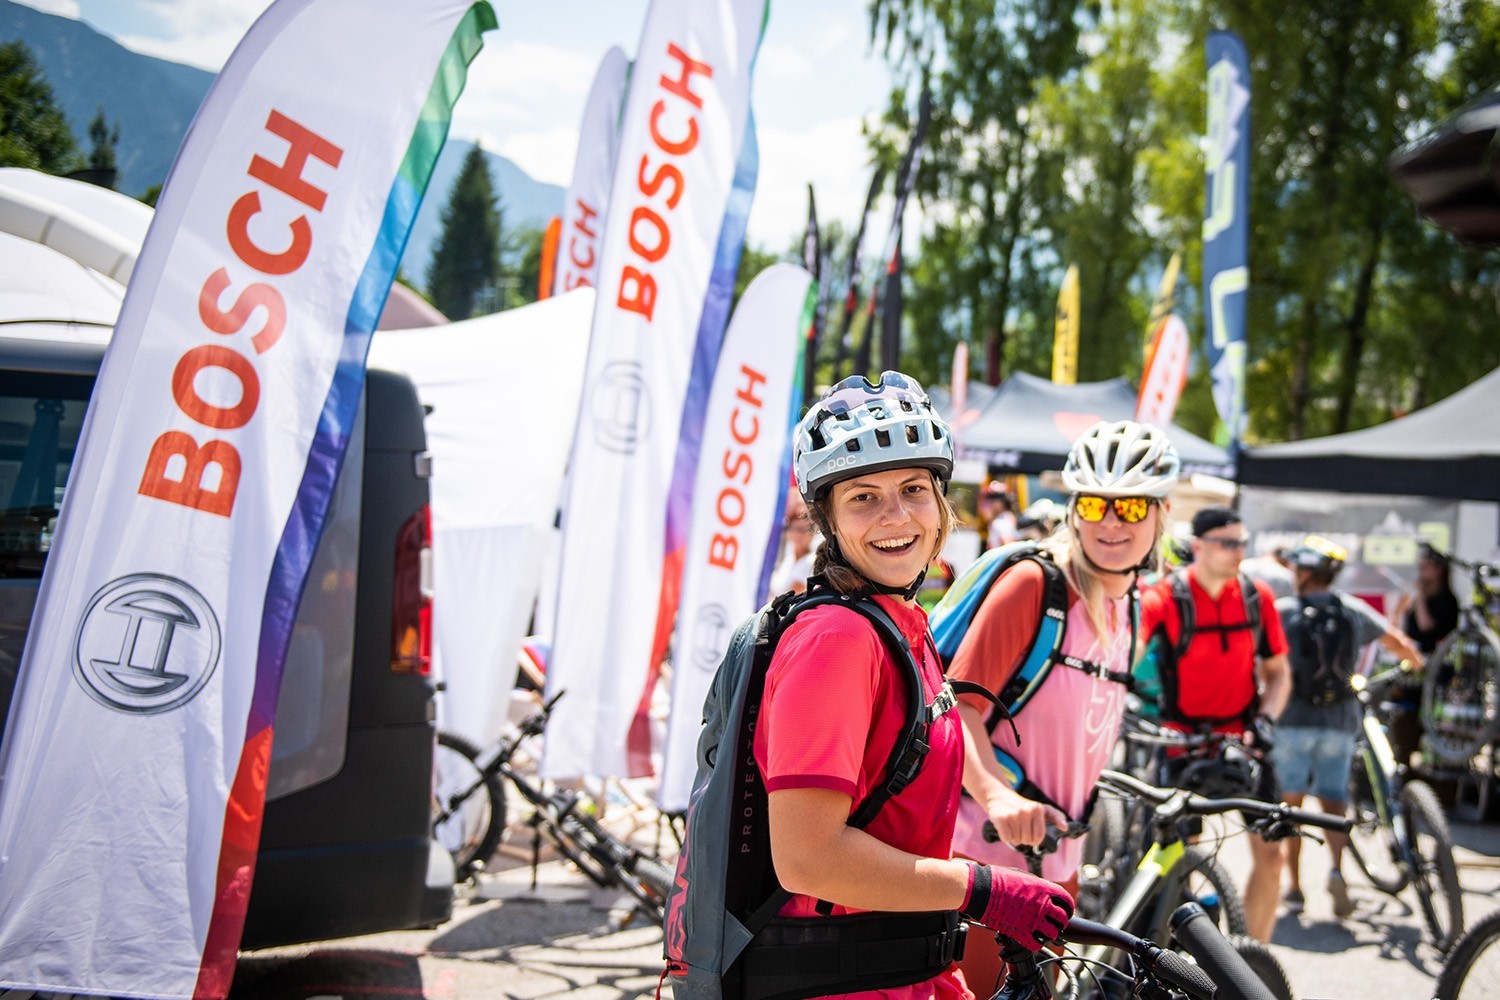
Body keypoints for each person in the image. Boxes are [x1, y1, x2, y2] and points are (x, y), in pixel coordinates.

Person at [758, 371, 1073, 999]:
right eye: (863, 497)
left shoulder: (900, 621)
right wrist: (982, 888)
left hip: (908, 969)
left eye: (912, 489)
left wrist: (997, 807)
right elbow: (806, 859)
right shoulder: (839, 640)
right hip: (846, 983)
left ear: (941, 501)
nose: (896, 516)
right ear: (828, 520)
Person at [949, 419, 1178, 995]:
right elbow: (959, 710)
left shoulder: (1132, 608)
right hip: (981, 856)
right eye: (1096, 504)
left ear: (1160, 515)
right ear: (1075, 508)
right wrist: (1000, 795)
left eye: (1130, 509)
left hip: (1059, 858)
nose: (1109, 523)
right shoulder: (1034, 586)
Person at [1137, 506, 1291, 944]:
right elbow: (1125, 652)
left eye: (1242, 542)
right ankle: (1164, 958)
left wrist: (1267, 719)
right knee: (1172, 857)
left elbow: (1279, 672)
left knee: (1272, 854)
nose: (1238, 551)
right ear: (1199, 546)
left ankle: (1253, 960)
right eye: (1228, 543)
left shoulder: (1255, 596)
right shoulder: (1165, 597)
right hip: (1180, 740)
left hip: (1244, 738)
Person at [1274, 535, 1425, 920]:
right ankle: (1337, 870)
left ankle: (1293, 888)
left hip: (1291, 720)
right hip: (1340, 722)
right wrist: (1414, 663)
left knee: (1289, 807)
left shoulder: (1284, 611)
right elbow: (1402, 646)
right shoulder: (1352, 611)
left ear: (1306, 572)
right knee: (1333, 802)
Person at [768, 486, 817, 596]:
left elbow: (791, 599)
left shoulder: (811, 562)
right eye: (794, 529)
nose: (799, 535)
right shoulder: (788, 558)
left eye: (804, 530)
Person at [980, 482, 1019, 549]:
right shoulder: (1008, 517)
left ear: (999, 503)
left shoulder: (1000, 523)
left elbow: (1009, 548)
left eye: (986, 504)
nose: (984, 508)